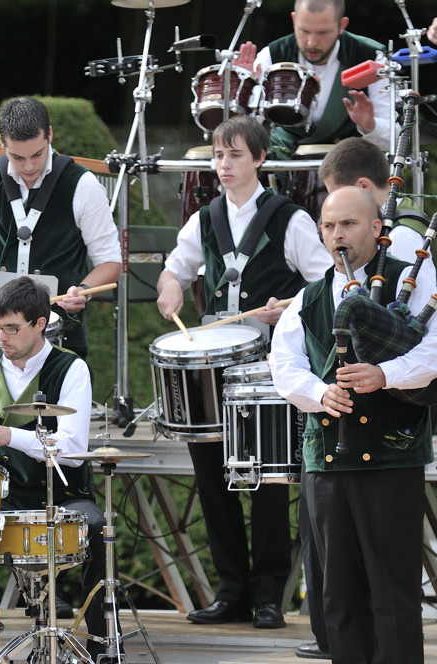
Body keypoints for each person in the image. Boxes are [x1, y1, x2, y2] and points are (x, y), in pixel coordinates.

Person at [155, 115, 333, 629]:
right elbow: (176, 268)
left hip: (267, 368)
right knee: (212, 481)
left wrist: (290, 307)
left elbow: (325, 284)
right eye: (218, 155)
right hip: (213, 368)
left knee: (267, 482)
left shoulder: (290, 218)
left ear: (258, 159)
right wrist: (169, 285)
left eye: (234, 155)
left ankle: (270, 595)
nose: (224, 165)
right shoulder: (204, 218)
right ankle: (231, 592)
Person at [269, 186, 437, 663]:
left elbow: (434, 350)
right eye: (328, 225)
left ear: (377, 229)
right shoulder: (308, 297)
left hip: (391, 455)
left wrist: (385, 374)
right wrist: (321, 393)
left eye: (348, 224)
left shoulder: (414, 279)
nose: (337, 234)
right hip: (326, 459)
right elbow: (285, 367)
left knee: (392, 589)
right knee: (337, 595)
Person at [0, 276, 109, 659]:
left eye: (11, 328)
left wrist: (8, 435)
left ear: (40, 324)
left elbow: (71, 449)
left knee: (97, 528)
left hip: (63, 498)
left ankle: (106, 643)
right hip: (3, 497)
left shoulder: (71, 369)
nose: (2, 337)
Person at [0, 96, 120, 358]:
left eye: (37, 154)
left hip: (57, 334)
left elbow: (110, 262)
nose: (29, 166)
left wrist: (84, 291)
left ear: (49, 135)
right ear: (1, 143)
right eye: (17, 157)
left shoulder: (84, 186)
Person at [236, 0, 394, 159]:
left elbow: (394, 140)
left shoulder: (371, 59)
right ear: (293, 20)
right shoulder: (273, 56)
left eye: (322, 33)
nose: (311, 42)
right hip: (284, 165)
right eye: (304, 31)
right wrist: (243, 96)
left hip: (351, 167)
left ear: (342, 25)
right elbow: (243, 132)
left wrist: (370, 125)